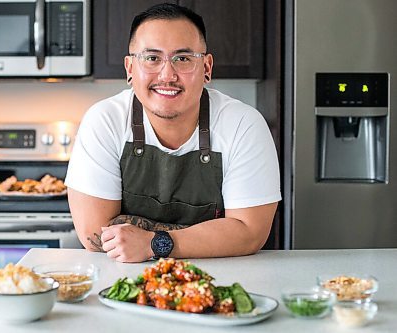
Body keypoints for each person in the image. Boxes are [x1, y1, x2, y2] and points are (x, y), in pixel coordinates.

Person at [65, 3, 281, 263]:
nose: (167, 75)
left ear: (207, 68)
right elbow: (95, 234)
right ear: (130, 69)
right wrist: (215, 234)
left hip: (218, 283)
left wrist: (152, 243)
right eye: (152, 58)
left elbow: (249, 233)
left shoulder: (243, 125)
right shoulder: (104, 121)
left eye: (183, 58)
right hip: (122, 281)